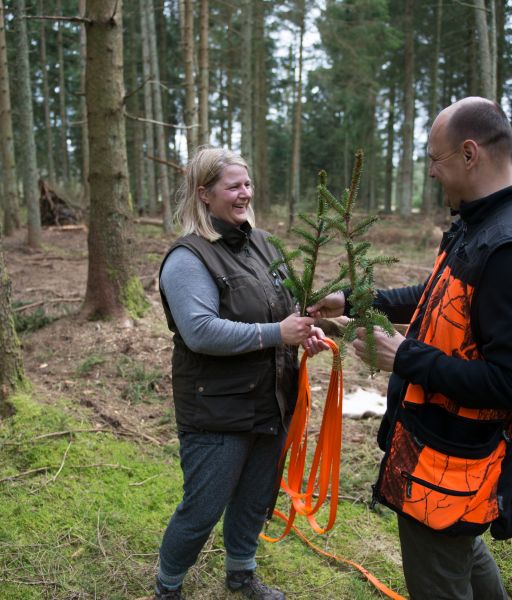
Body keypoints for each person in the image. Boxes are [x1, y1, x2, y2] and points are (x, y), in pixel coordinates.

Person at [308, 97, 512, 600]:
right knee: (458, 548)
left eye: (435, 159)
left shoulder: (511, 251)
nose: (430, 172)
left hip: (452, 464)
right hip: (436, 456)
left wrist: (403, 358)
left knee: (440, 564)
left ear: (470, 154)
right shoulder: (480, 222)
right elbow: (438, 296)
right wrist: (354, 299)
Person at [155, 146, 326, 600]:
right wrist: (276, 333)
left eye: (247, 184)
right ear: (204, 194)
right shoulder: (188, 258)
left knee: (254, 499)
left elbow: (287, 310)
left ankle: (242, 573)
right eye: (233, 186)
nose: (244, 193)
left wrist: (305, 332)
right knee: (202, 508)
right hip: (216, 409)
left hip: (271, 401)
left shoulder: (263, 244)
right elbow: (200, 332)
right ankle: (168, 584)